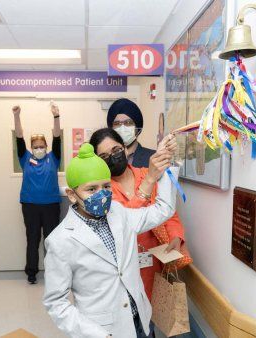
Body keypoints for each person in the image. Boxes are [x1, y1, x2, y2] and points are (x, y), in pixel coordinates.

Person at [43, 137, 178, 338]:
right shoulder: (60, 240)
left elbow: (162, 210)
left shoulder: (119, 213)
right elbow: (57, 303)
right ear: (72, 195)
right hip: (103, 331)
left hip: (140, 321)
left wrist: (166, 166)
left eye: (106, 187)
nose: (102, 195)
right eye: (91, 189)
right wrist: (96, 334)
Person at [90, 129, 189, 337]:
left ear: (125, 149)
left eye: (116, 149)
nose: (112, 157)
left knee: (148, 320)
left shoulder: (146, 173)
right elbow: (123, 223)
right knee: (129, 319)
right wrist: (151, 179)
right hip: (124, 269)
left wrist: (175, 237)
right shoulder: (102, 192)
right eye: (104, 156)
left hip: (153, 263)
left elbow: (168, 212)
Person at [12, 103, 62, 284]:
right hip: (30, 206)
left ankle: (53, 273)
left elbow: (57, 137)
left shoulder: (53, 158)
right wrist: (16, 116)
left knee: (51, 241)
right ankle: (31, 273)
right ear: (31, 147)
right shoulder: (25, 158)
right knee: (32, 240)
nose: (39, 148)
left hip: (51, 206)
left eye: (42, 146)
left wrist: (56, 117)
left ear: (46, 147)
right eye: (36, 146)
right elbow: (19, 136)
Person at [107, 98, 155, 168]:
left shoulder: (153, 158)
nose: (122, 128)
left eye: (128, 123)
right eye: (117, 124)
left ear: (138, 129)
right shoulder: (105, 160)